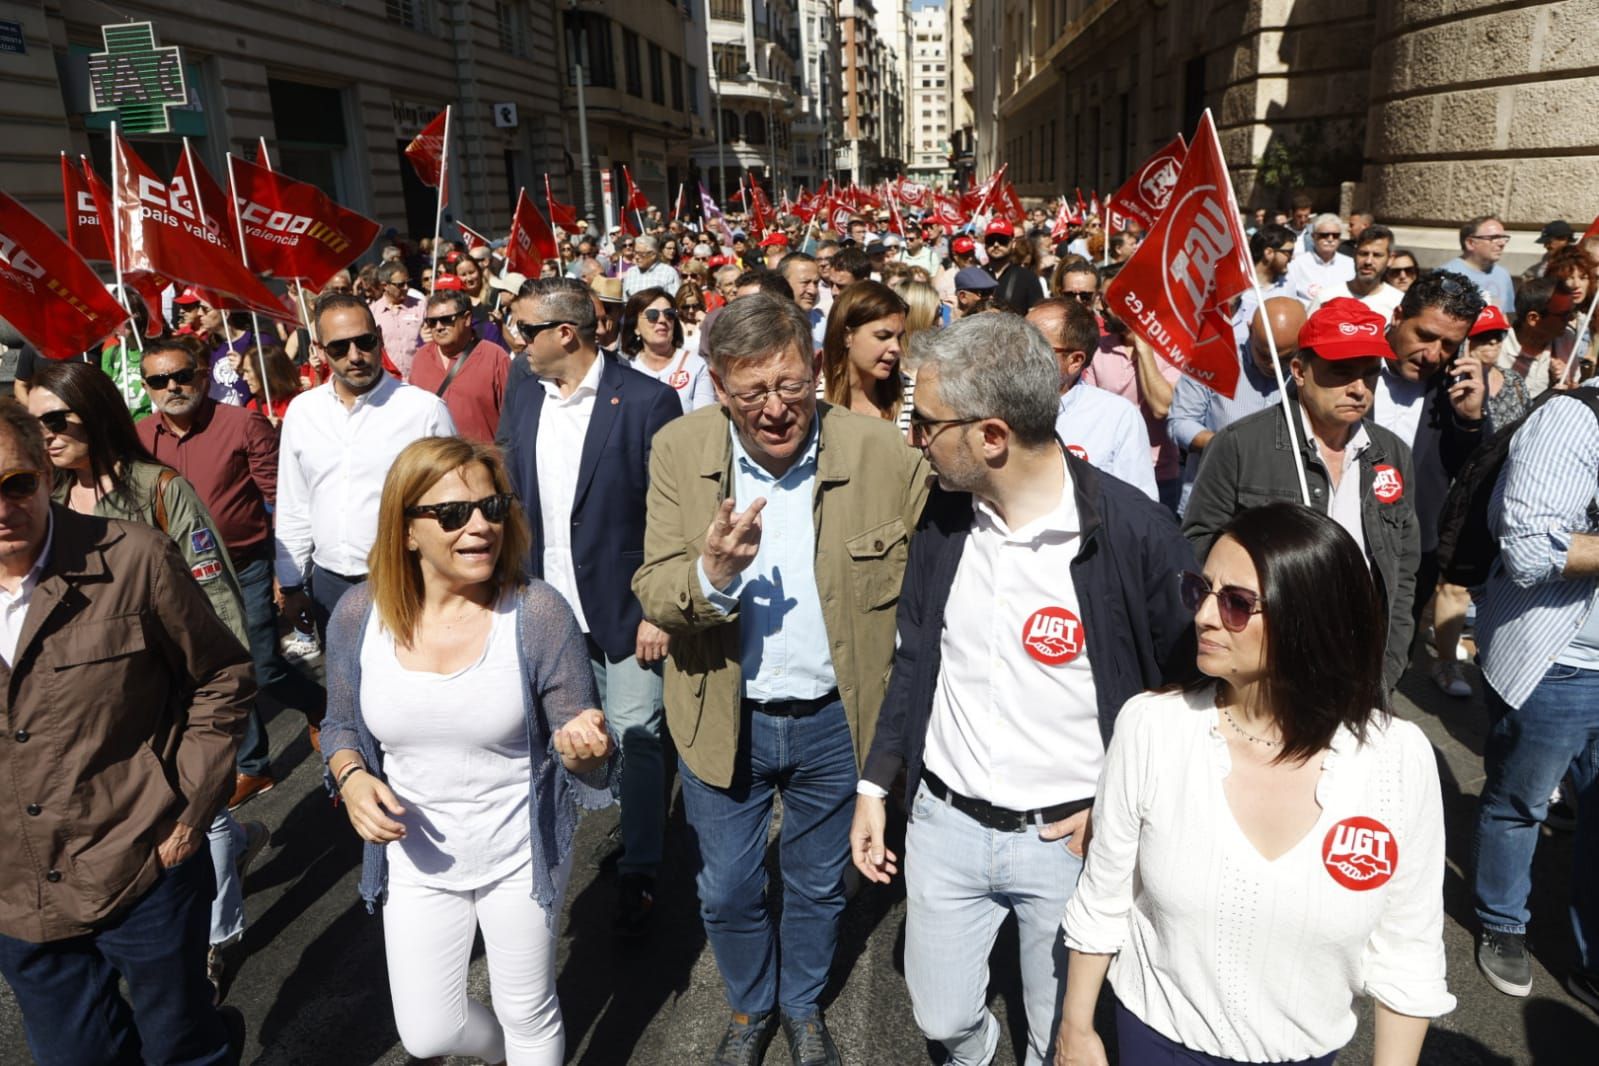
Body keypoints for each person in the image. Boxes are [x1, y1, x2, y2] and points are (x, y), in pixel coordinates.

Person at [852, 311, 1196, 1066]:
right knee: (940, 1019)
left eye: (927, 423)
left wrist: (1118, 803)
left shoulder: (1136, 536)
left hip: (1067, 848)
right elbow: (915, 659)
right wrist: (876, 785)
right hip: (943, 826)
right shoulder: (942, 519)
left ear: (991, 436)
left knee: (1059, 1036)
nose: (915, 439)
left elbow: (1187, 698)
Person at [632, 293, 930, 1065]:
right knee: (726, 890)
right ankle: (748, 1006)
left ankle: (799, 1005)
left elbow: (938, 576)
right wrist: (713, 573)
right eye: (751, 392)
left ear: (817, 372)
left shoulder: (880, 454)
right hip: (720, 714)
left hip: (838, 720)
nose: (774, 409)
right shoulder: (675, 448)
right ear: (719, 390)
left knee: (818, 885)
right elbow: (656, 588)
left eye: (791, 385)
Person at [1058, 503, 1454, 1066]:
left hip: (1307, 1052)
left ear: (1310, 617)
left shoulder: (1397, 760)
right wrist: (1077, 1028)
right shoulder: (1152, 726)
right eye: (1201, 590)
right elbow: (1103, 897)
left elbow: (1408, 954)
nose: (1204, 617)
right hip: (1157, 1042)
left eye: (1237, 603)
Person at [322, 436, 616, 1065]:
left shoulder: (537, 614)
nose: (480, 525)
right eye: (453, 514)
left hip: (518, 851)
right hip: (416, 860)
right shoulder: (356, 617)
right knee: (428, 1032)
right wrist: (349, 778)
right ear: (405, 532)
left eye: (492, 507)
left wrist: (584, 749)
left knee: (527, 1010)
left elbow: (584, 752)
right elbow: (341, 724)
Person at [0, 399, 255, 1066]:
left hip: (141, 867)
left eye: (14, 483)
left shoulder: (132, 558)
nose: (1, 507)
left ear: (45, 477)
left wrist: (188, 814)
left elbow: (222, 677)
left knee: (181, 1049)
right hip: (18, 896)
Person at [499, 277, 681, 939]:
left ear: (565, 334)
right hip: (544, 607)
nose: (513, 342)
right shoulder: (522, 394)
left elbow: (672, 514)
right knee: (557, 741)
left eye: (523, 329)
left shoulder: (647, 401)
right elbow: (508, 487)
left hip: (626, 607)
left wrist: (660, 606)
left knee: (636, 733)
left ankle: (639, 866)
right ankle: (549, 854)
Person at [1184, 299, 1421, 691]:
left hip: (1357, 666)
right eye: (1341, 372)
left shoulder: (1391, 454)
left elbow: (1404, 568)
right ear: (1299, 371)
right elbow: (1198, 549)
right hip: (1264, 665)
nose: (1359, 389)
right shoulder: (1239, 445)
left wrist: (1389, 664)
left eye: (1369, 374)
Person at [135, 338, 325, 788]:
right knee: (214, 672)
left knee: (260, 664)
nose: (173, 387)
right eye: (160, 381)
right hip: (179, 577)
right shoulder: (139, 438)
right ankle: (253, 765)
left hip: (245, 567)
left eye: (182, 375)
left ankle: (318, 705)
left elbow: (282, 499)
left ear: (202, 376)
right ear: (147, 387)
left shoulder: (242, 423)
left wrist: (288, 570)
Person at [1471, 371, 1599, 1009]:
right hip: (1563, 659)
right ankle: (1502, 921)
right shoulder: (1574, 420)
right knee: (1522, 801)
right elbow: (1526, 549)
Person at [276, 292, 456, 646]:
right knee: (345, 692)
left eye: (365, 342)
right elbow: (295, 504)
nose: (355, 356)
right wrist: (292, 581)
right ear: (319, 349)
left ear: (380, 337)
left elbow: (452, 508)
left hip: (406, 580)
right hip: (329, 584)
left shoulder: (424, 411)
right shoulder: (302, 412)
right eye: (340, 348)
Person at [1369, 271, 1487, 632]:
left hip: (1413, 554)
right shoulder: (1348, 365)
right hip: (1338, 544)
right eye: (1425, 336)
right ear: (1398, 316)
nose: (1433, 354)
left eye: (1449, 344)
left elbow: (1473, 477)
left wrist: (1470, 421)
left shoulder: (1459, 390)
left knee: (1390, 659)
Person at [1170, 298, 1304, 513]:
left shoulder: (1311, 370)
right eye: (1264, 353)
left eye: (1286, 358)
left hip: (1283, 509)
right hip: (1216, 504)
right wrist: (1231, 446)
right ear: (1250, 330)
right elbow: (1180, 422)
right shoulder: (1212, 357)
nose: (1273, 365)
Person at [1025, 297, 1156, 500]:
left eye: (1034, 346)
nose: (1017, 351)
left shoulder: (1116, 417)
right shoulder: (986, 404)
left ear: (1075, 361)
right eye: (1016, 339)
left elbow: (1139, 509)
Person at [1082, 305, 1184, 513]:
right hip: (1107, 472)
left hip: (1158, 474)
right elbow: (1090, 410)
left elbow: (1161, 407)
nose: (1100, 307)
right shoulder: (1098, 349)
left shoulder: (1171, 350)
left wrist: (1145, 349)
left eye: (1111, 301)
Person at [406, 289, 512, 443]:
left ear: (467, 318)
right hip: (435, 462)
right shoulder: (421, 358)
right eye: (432, 322)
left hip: (481, 462)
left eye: (446, 319)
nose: (438, 327)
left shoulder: (495, 357)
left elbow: (511, 421)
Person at [820, 280, 912, 428]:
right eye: (882, 336)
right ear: (847, 336)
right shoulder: (813, 399)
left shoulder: (910, 395)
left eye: (899, 337)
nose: (896, 348)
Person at [622, 286, 717, 413]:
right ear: (635, 327)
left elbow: (705, 419)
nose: (662, 320)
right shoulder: (625, 367)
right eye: (652, 315)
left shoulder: (696, 365)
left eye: (669, 314)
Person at [1496, 277, 1576, 399]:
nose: (1571, 319)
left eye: (1572, 312)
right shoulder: (1496, 346)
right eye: (1563, 315)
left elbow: (1576, 392)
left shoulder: (1566, 339)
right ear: (1533, 318)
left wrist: (1569, 385)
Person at [1310, 223, 1404, 321]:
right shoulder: (1327, 297)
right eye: (1363, 254)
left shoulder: (1398, 302)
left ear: (1390, 259)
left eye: (1377, 255)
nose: (1368, 261)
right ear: (1354, 254)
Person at [1231, 224, 1299, 343]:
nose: (1292, 258)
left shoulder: (1288, 284)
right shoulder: (1237, 285)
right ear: (1268, 252)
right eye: (1288, 252)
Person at [1440, 215, 1518, 312]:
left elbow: (1506, 316)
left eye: (1504, 237)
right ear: (1470, 243)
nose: (1502, 243)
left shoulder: (1503, 274)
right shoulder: (1446, 274)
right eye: (1494, 238)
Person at [370, 261, 426, 380]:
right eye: (400, 284)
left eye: (407, 283)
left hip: (419, 379)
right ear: (385, 285)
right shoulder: (373, 313)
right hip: (388, 382)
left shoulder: (421, 306)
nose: (406, 288)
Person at [1285, 213, 1355, 305]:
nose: (1330, 239)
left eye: (1335, 235)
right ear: (1314, 236)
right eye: (1324, 235)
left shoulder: (1350, 264)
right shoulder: (1296, 264)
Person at [982, 219, 1045, 314]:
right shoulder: (977, 275)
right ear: (985, 244)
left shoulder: (1028, 278)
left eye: (1002, 240)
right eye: (990, 240)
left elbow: (1037, 316)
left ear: (1013, 243)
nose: (996, 244)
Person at [237, 344, 302, 425]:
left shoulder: (299, 400)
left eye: (248, 371)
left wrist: (283, 424)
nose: (244, 378)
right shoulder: (253, 407)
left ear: (267, 371)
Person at [622, 235, 681, 300]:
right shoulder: (630, 273)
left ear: (653, 255)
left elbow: (675, 301)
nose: (636, 257)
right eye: (635, 253)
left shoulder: (668, 273)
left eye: (640, 254)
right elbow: (625, 301)